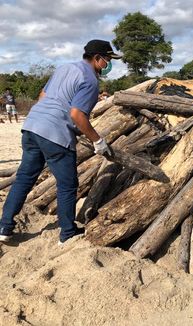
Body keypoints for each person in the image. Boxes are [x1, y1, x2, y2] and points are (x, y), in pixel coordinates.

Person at [0, 40, 122, 244]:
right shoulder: (90, 80)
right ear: (97, 58)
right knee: (67, 184)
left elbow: (43, 95)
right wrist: (98, 141)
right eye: (108, 59)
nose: (108, 63)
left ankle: (4, 227)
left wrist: (47, 117)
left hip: (32, 126)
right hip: (55, 133)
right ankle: (67, 233)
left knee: (24, 178)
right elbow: (76, 114)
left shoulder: (65, 67)